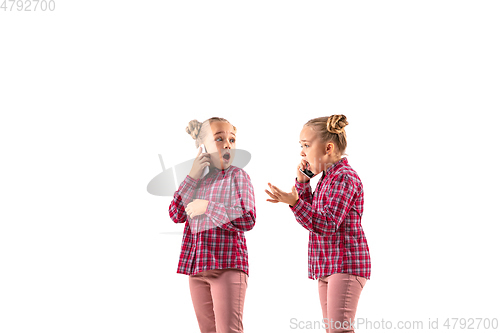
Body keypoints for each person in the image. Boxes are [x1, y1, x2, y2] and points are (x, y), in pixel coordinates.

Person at [265, 115, 370, 333]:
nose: (302, 152)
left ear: (328, 148)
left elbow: (327, 224)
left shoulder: (345, 178)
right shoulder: (327, 178)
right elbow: (314, 215)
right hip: (327, 265)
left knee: (340, 329)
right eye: (301, 146)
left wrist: (294, 202)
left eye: (306, 145)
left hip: (345, 264)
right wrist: (303, 183)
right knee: (333, 330)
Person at [169, 117, 256, 333]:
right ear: (203, 146)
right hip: (197, 270)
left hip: (227, 267)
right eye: (219, 139)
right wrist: (192, 176)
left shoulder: (238, 176)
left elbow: (247, 218)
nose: (228, 144)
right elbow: (175, 214)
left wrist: (208, 206)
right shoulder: (194, 181)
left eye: (232, 139)